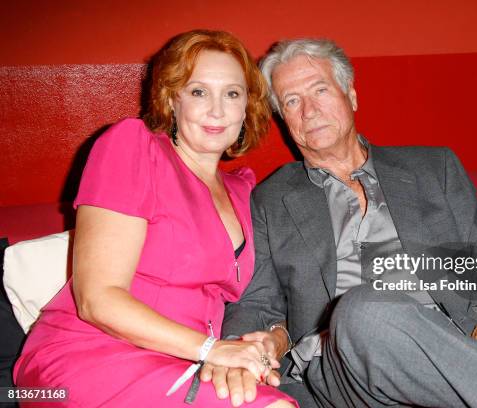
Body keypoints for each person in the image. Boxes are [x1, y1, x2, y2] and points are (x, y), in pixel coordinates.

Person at [212, 39, 477, 407]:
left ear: (350, 94)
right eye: (292, 101)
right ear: (284, 120)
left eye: (319, 90)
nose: (309, 110)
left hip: (451, 351)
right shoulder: (271, 199)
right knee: (364, 310)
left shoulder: (431, 168)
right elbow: (254, 301)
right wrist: (245, 345)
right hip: (340, 368)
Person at [13, 30, 296, 408]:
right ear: (171, 98)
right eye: (198, 92)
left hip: (185, 361)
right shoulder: (134, 147)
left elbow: (255, 298)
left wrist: (262, 342)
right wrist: (213, 349)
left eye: (232, 93)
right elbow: (98, 300)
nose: (217, 110)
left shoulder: (243, 189)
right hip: (89, 356)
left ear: (247, 106)